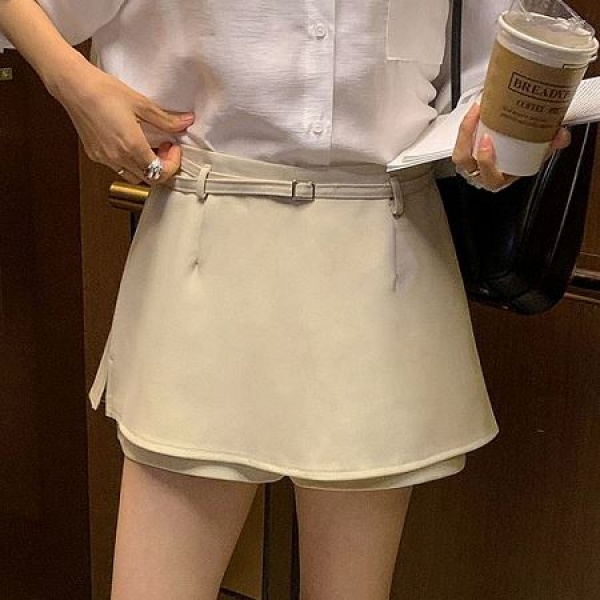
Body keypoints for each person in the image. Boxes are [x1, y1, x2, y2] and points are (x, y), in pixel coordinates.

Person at [0, 1, 571, 599]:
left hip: (384, 238)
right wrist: (73, 85)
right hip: (210, 229)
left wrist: (497, 136)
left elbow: (487, 69)